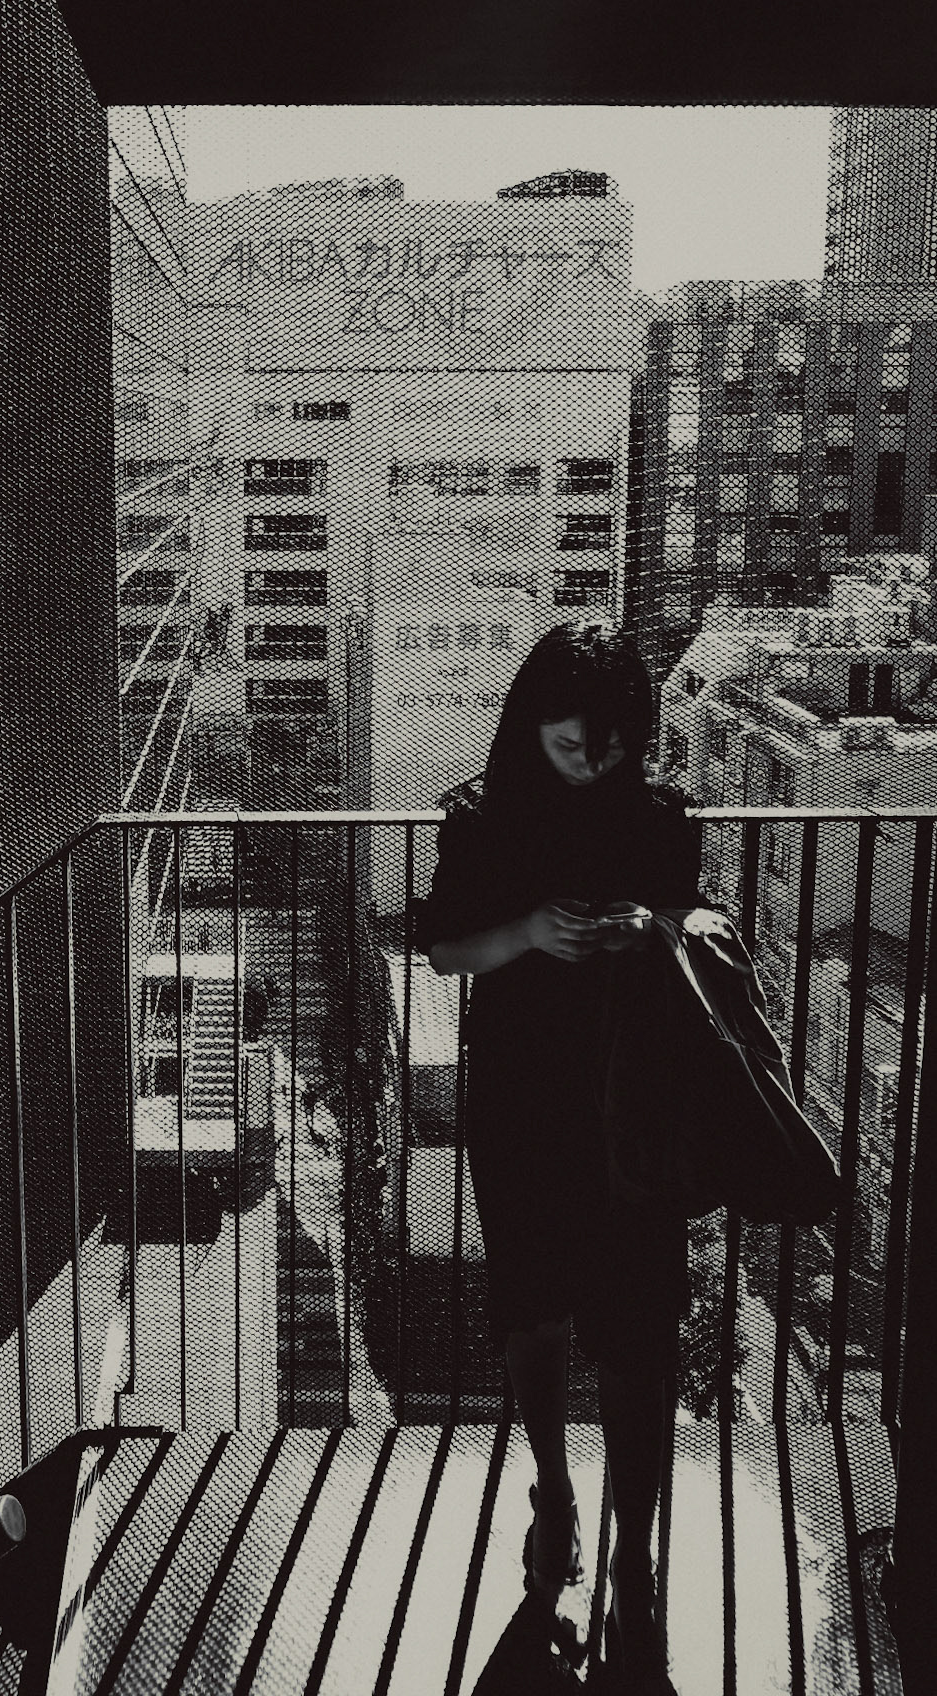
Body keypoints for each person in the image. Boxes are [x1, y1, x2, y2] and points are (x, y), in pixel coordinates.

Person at [416, 619, 700, 1690]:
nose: (594, 766)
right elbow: (444, 945)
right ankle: (553, 1488)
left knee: (639, 1331)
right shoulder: (483, 819)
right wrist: (533, 928)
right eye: (573, 746)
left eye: (613, 748)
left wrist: (646, 928)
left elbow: (698, 936)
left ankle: (637, 1549)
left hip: (632, 1101)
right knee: (532, 1310)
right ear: (531, 726)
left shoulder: (662, 816)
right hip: (527, 1098)